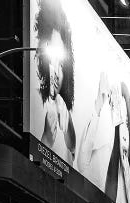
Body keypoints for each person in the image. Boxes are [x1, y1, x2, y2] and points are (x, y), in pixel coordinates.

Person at [34, 0, 76, 163]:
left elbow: (71, 165)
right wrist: (46, 139)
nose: (57, 73)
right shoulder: (32, 98)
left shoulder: (63, 108)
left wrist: (69, 136)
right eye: (53, 61)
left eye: (61, 65)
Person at [104, 82, 130, 203]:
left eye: (127, 123)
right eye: (121, 121)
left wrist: (126, 168)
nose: (124, 130)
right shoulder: (104, 151)